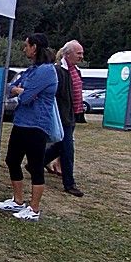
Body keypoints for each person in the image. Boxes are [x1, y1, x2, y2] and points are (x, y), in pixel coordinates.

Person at [0, 33, 57, 221]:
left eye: (26, 46)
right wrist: (21, 90)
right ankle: (18, 200)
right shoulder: (32, 70)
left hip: (37, 125)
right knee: (12, 160)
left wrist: (23, 91)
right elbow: (11, 88)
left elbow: (25, 97)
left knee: (36, 166)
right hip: (21, 122)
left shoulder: (46, 71)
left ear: (35, 47)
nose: (24, 49)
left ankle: (34, 209)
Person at [44, 40, 85, 197]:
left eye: (82, 53)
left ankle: (36, 163)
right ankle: (69, 184)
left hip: (71, 115)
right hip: (62, 116)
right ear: (67, 54)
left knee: (61, 146)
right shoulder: (58, 71)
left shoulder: (76, 71)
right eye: (78, 53)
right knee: (67, 150)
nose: (81, 56)